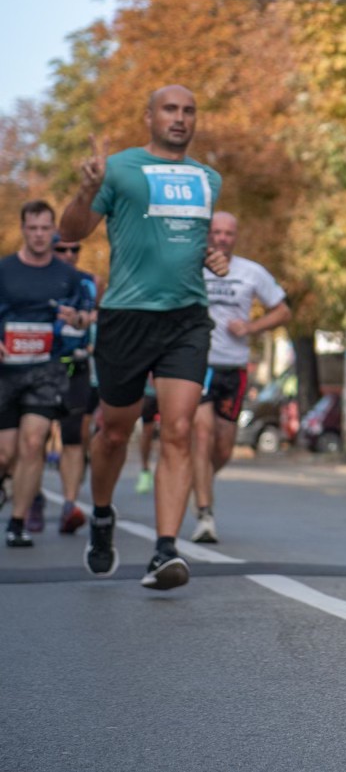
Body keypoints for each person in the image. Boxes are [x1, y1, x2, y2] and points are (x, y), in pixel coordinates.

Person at [59, 84, 228, 590]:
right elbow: (74, 231)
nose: (180, 118)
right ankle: (103, 516)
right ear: (149, 116)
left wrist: (212, 258)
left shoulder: (208, 178)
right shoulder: (121, 169)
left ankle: (164, 551)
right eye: (170, 109)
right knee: (115, 430)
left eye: (189, 111)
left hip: (187, 318)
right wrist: (88, 190)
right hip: (126, 316)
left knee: (177, 429)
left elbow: (187, 242)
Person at [189, 211, 290, 544]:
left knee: (223, 447)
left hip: (234, 367)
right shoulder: (191, 266)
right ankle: (205, 513)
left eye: (228, 234)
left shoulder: (251, 272)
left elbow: (282, 310)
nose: (221, 238)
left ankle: (198, 480)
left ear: (235, 236)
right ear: (208, 235)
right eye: (215, 232)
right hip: (199, 363)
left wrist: (251, 327)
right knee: (201, 435)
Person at [0, 201, 95, 548]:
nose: (39, 235)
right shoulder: (5, 270)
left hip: (46, 370)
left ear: (52, 230)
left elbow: (88, 317)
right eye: (33, 228)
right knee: (4, 453)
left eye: (45, 229)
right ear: (23, 229)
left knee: (33, 443)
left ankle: (18, 521)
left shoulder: (69, 277)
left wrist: (78, 319)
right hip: (6, 372)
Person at [52, 237, 101, 534]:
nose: (69, 255)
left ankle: (69, 505)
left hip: (77, 364)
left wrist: (84, 319)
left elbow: (99, 314)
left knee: (73, 436)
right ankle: (30, 499)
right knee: (33, 439)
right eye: (62, 249)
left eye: (75, 249)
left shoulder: (88, 282)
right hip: (40, 365)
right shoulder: (30, 277)